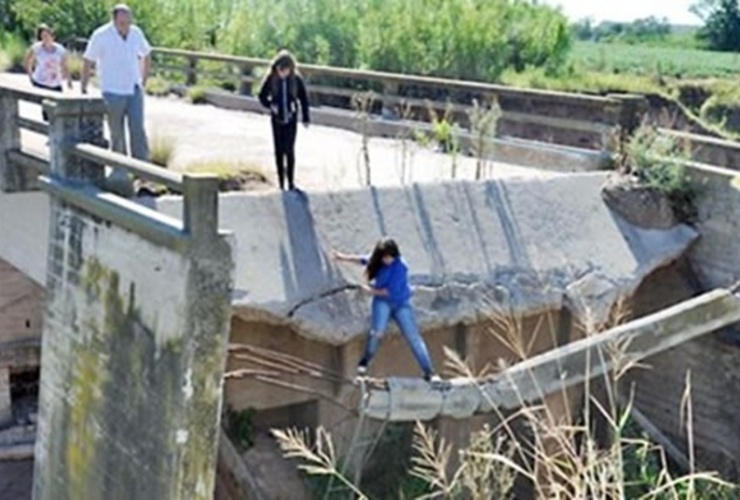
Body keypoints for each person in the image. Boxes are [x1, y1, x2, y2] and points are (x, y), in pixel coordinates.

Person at [333, 238, 438, 382]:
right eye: (386, 257)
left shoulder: (401, 266)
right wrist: (342, 257)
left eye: (391, 257)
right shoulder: (378, 260)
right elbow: (363, 260)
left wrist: (369, 290)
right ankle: (365, 360)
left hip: (400, 303)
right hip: (382, 303)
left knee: (413, 336)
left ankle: (429, 371)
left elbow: (388, 292)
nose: (388, 260)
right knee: (377, 332)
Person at [81, 3, 152, 161]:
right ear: (113, 21)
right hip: (112, 90)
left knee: (138, 129)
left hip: (133, 88)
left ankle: (144, 169)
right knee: (116, 132)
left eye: (128, 22)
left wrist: (143, 80)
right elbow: (88, 60)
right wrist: (83, 86)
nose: (125, 26)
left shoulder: (136, 33)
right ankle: (120, 168)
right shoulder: (101, 35)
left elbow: (147, 53)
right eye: (122, 23)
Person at [258, 50, 310, 191]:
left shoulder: (296, 80)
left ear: (290, 69)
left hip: (291, 119)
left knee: (289, 149)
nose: (282, 73)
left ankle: (291, 181)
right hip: (276, 119)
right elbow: (261, 96)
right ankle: (281, 181)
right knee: (279, 150)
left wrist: (306, 117)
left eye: (285, 70)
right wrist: (271, 105)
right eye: (280, 70)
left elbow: (304, 99)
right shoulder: (271, 79)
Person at [24, 24, 71, 120]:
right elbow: (28, 61)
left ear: (52, 36)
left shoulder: (60, 49)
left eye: (47, 35)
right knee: (46, 109)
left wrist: (68, 79)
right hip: (41, 82)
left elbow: (64, 65)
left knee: (58, 108)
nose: (45, 38)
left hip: (55, 82)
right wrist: (30, 75)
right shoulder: (37, 48)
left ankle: (53, 127)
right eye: (42, 36)